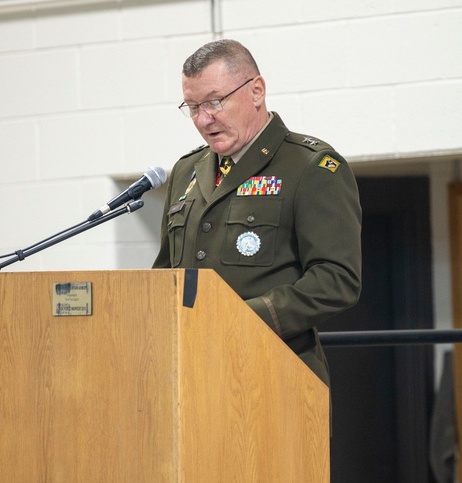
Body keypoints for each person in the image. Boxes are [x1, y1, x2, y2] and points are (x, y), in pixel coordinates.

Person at [153, 39, 362, 387]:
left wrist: (242, 319)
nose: (204, 119)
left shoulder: (310, 166)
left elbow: (337, 279)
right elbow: (164, 275)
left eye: (215, 102)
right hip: (194, 375)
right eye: (192, 107)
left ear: (256, 91)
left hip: (274, 374)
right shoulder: (187, 171)